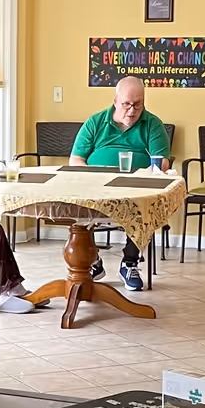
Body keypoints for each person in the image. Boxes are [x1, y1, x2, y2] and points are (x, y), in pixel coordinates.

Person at [68, 76, 169, 291]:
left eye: (138, 104)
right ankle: (92, 260)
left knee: (146, 208)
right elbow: (76, 159)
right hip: (97, 185)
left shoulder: (152, 123)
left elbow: (162, 161)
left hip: (135, 186)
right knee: (76, 204)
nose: (132, 111)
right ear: (115, 101)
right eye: (126, 104)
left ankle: (130, 263)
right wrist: (92, 178)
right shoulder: (95, 122)